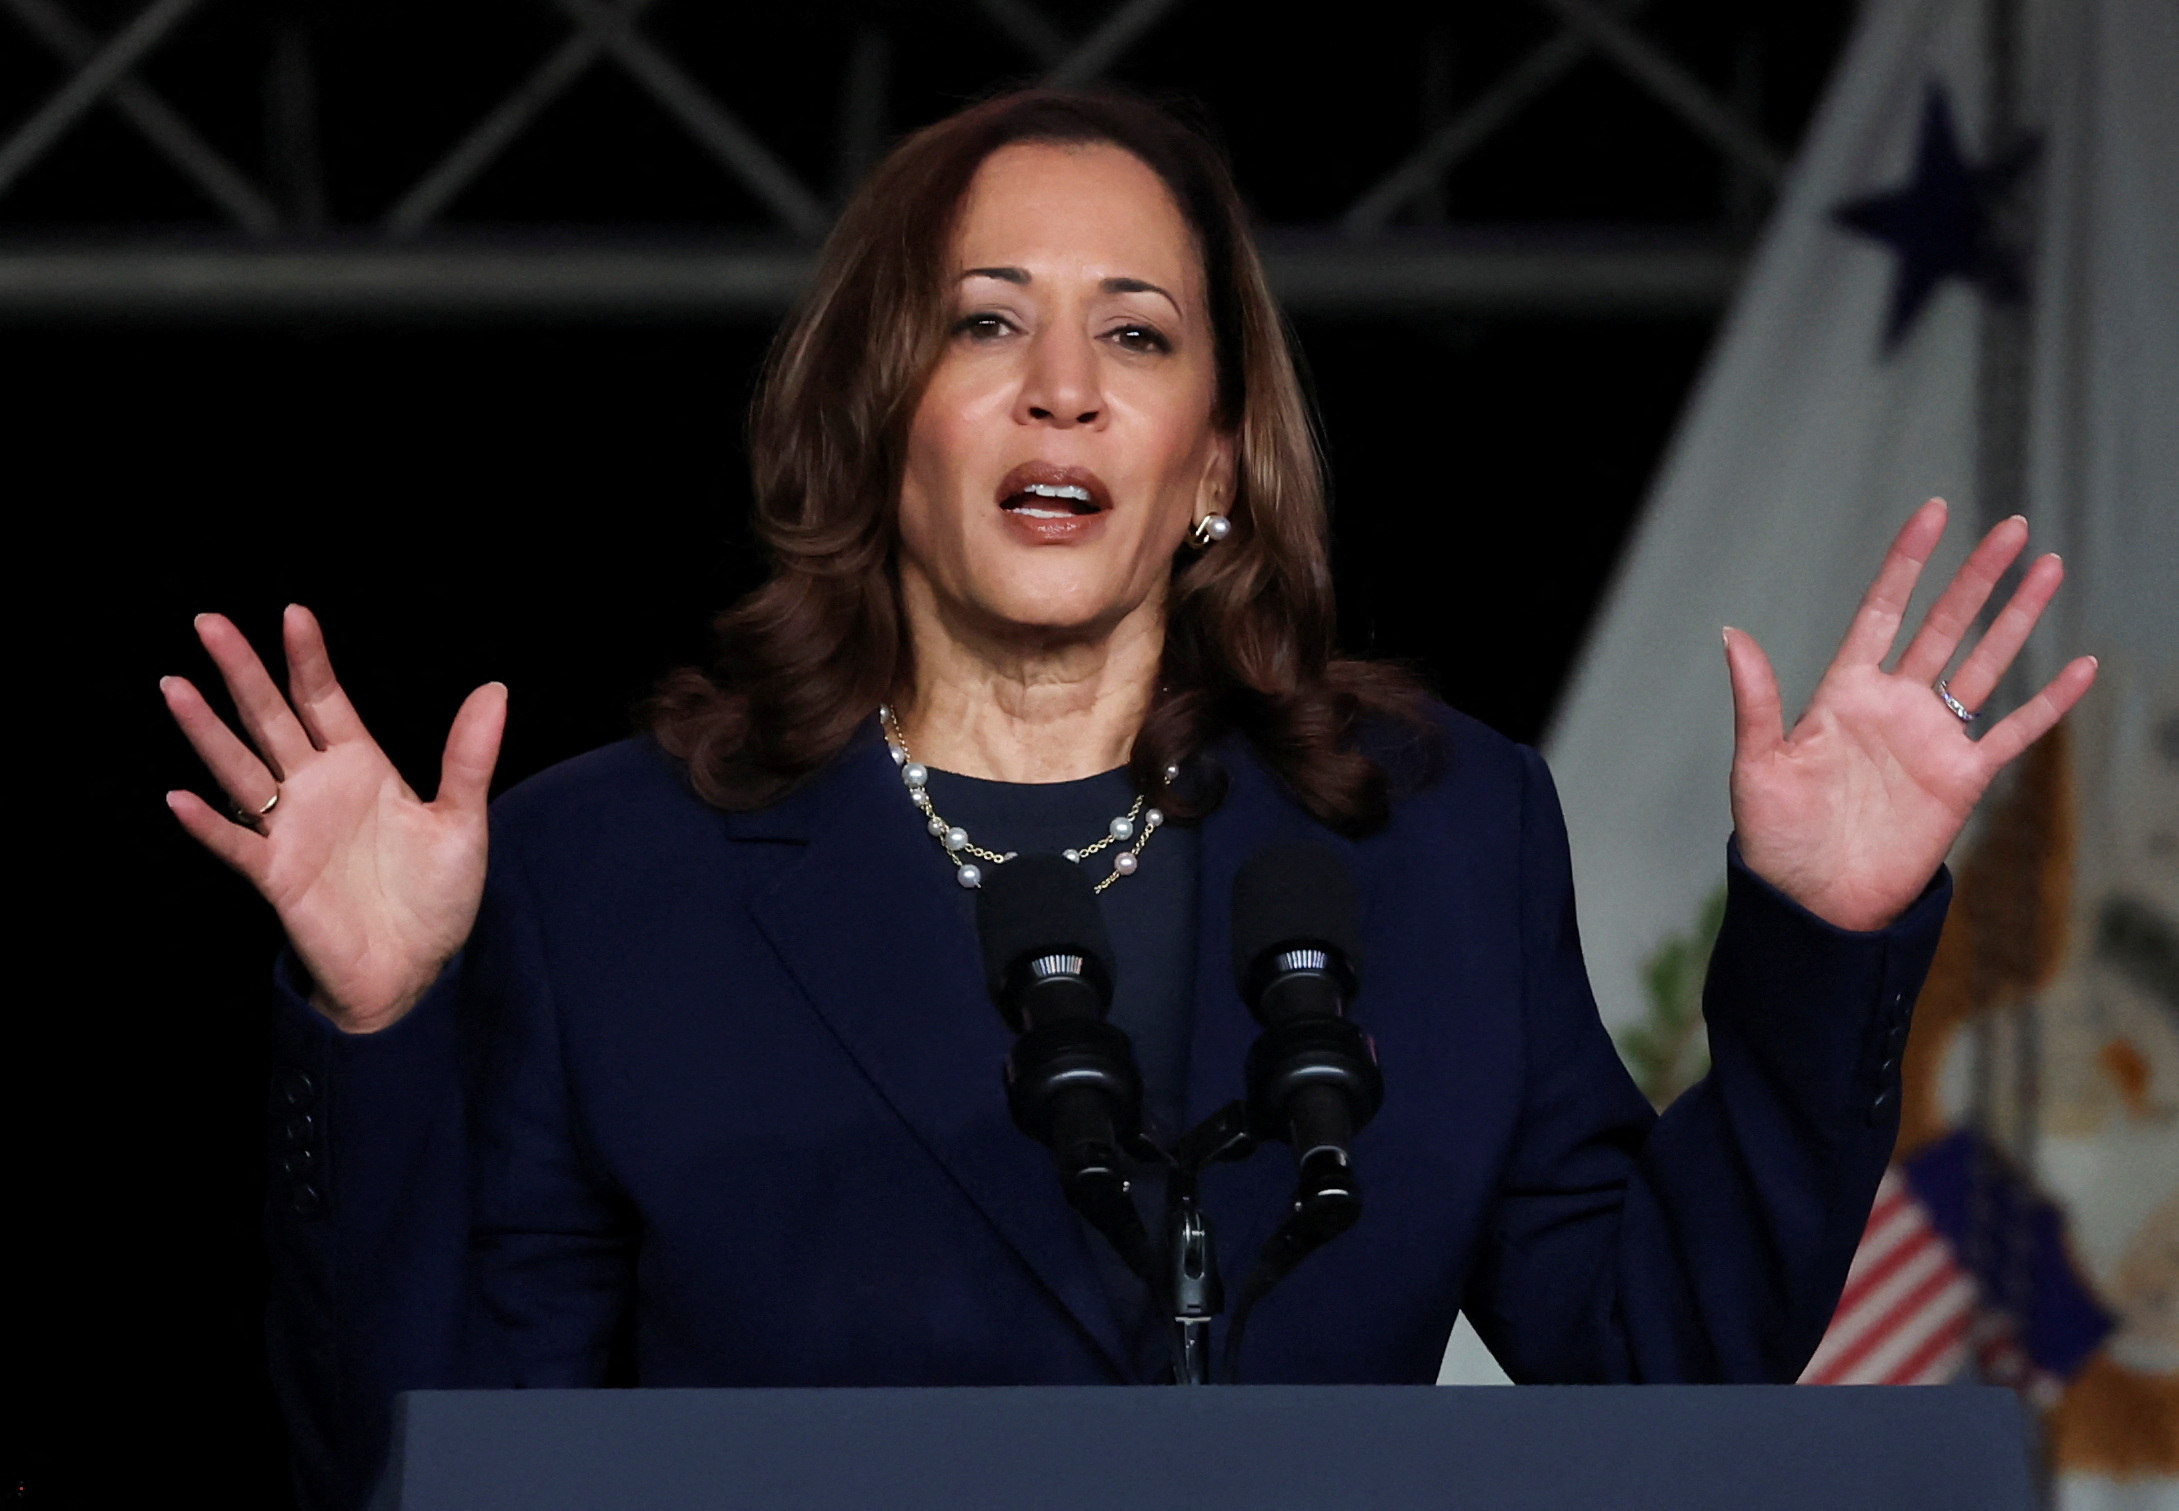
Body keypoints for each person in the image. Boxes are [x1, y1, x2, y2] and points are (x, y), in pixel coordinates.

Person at [160, 90, 2096, 1511]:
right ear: (875, 420)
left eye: (1139, 335)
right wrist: (380, 1022)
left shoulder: (1435, 840)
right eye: (987, 321)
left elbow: (1657, 1366)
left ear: (1217, 467)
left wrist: (1821, 945)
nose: (1064, 387)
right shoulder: (616, 874)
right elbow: (414, 1462)